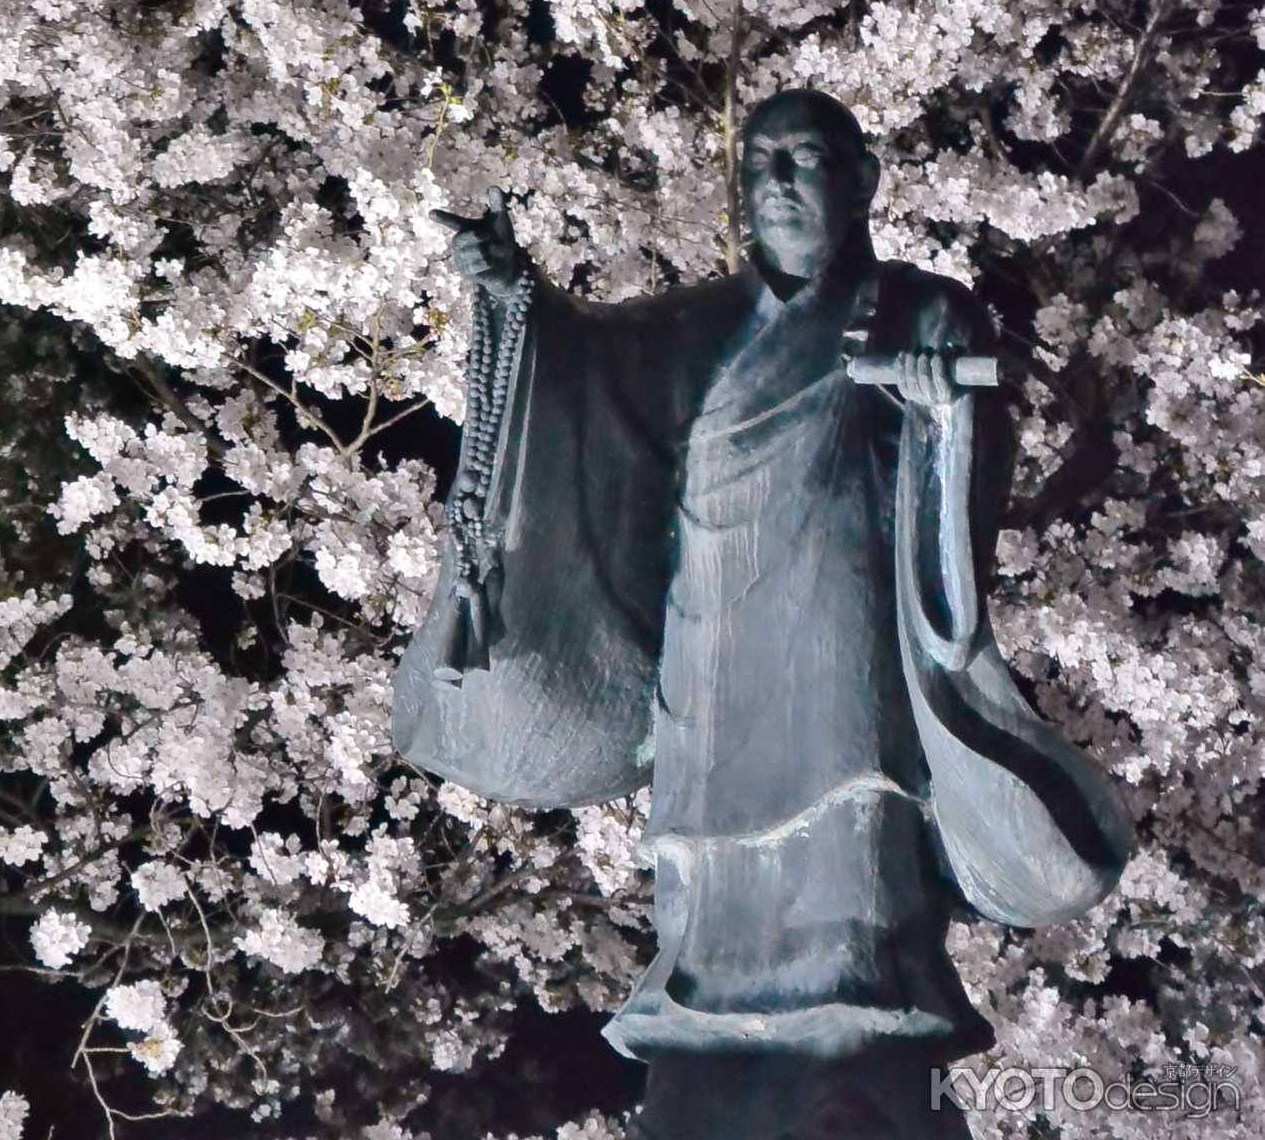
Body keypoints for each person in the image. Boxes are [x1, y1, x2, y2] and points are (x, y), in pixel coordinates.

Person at [394, 91, 1131, 1137]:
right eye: (762, 160)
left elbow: (967, 499)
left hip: (849, 656)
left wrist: (941, 416)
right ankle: (709, 1040)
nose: (780, 179)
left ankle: (860, 1042)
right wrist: (517, 296)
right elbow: (589, 369)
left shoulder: (926, 314)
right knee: (711, 884)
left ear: (864, 178)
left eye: (809, 156)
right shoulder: (696, 326)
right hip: (715, 652)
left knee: (856, 876)